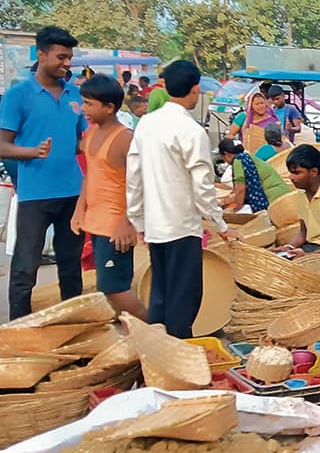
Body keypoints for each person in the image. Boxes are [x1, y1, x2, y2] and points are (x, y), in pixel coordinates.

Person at [127, 60, 240, 338]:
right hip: (181, 226)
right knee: (184, 297)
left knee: (161, 294)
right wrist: (221, 226)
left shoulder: (146, 124)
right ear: (195, 89)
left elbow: (133, 176)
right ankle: (177, 355)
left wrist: (138, 219)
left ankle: (158, 351)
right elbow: (202, 187)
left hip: (156, 225)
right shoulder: (190, 130)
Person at [0, 26, 87, 319]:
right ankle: (18, 332)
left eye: (70, 57)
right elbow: (3, 145)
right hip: (35, 194)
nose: (67, 63)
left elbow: (81, 142)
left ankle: (73, 328)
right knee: (25, 268)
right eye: (61, 57)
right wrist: (32, 152)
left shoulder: (75, 94)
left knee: (71, 267)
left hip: (73, 194)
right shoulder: (18, 94)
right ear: (41, 54)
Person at [71, 74, 147, 320]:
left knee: (115, 290)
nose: (83, 109)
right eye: (83, 103)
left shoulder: (126, 139)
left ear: (109, 107)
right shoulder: (90, 135)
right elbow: (90, 176)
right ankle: (134, 335)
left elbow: (141, 184)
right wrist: (79, 210)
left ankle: (156, 332)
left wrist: (127, 221)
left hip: (116, 226)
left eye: (89, 104)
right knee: (107, 287)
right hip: (95, 221)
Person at [216, 138, 292, 212]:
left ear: (226, 154)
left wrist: (237, 209)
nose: (224, 161)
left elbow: (240, 190)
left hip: (274, 198)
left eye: (223, 157)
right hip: (282, 194)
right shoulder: (247, 157)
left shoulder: (238, 161)